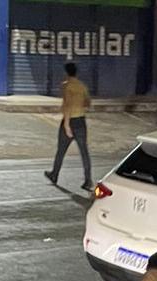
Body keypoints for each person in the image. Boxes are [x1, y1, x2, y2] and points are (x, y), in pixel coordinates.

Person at [44, 62, 93, 192]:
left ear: (66, 73)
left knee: (61, 150)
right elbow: (88, 103)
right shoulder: (82, 86)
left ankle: (55, 174)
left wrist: (66, 126)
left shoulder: (66, 86)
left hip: (70, 121)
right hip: (81, 121)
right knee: (84, 152)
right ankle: (88, 180)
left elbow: (67, 105)